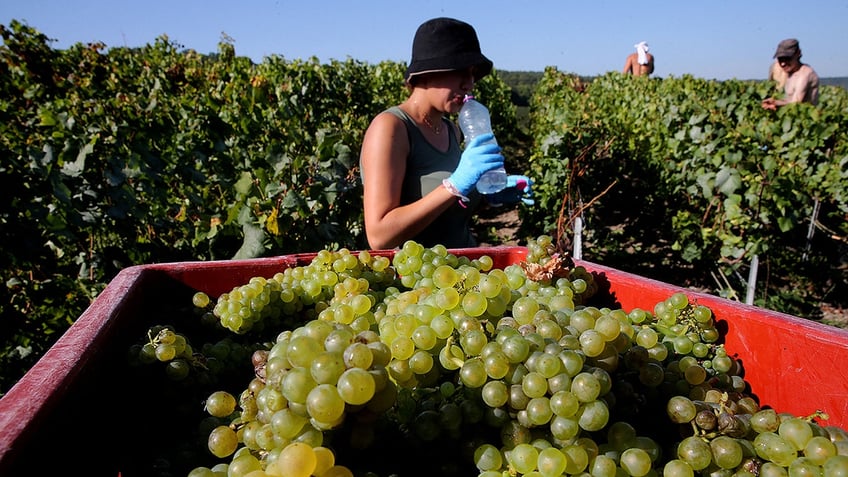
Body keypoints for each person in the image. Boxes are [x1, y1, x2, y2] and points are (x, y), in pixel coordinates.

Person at [359, 17, 533, 250]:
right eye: (460, 71)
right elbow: (380, 237)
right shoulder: (391, 128)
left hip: (460, 269)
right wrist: (454, 186)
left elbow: (443, 212)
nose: (469, 84)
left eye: (473, 74)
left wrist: (489, 195)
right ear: (426, 73)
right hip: (419, 279)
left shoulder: (451, 129)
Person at [762, 38, 819, 110]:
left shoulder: (805, 74)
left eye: (787, 59)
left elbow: (796, 104)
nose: (782, 64)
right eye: (780, 59)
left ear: (798, 53)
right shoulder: (791, 72)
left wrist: (776, 104)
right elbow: (790, 101)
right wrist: (775, 102)